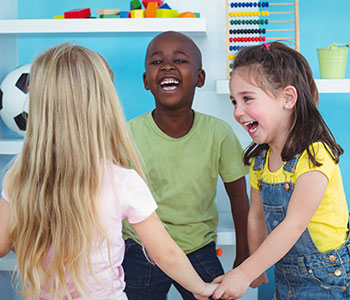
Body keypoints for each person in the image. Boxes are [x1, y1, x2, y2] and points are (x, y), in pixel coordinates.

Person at [0, 43, 219, 300]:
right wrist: (201, 288)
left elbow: (3, 244)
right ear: (104, 105)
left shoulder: (20, 175)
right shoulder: (122, 181)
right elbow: (166, 255)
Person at [212, 41, 350, 300]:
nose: (237, 112)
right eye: (234, 101)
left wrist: (243, 272)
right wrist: (255, 264)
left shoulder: (315, 155)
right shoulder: (260, 160)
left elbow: (294, 224)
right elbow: (255, 216)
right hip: (287, 275)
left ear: (288, 98)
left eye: (247, 99)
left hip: (328, 277)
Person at [122, 31, 250, 300]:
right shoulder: (127, 134)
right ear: (146, 81)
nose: (168, 66)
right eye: (157, 63)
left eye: (179, 60)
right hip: (141, 249)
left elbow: (238, 197)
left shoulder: (219, 133)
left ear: (199, 78)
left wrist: (243, 253)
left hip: (198, 248)